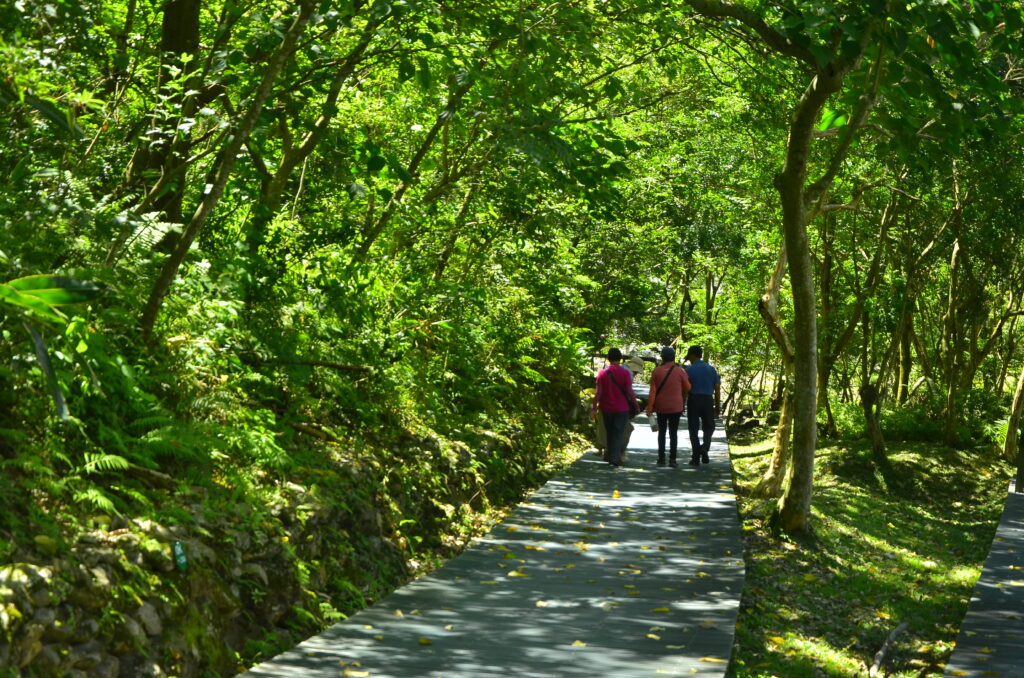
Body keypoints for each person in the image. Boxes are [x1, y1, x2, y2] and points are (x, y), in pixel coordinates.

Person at [590, 348, 639, 468]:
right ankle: (615, 458)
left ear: (608, 359)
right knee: (618, 433)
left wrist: (593, 408)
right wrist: (636, 404)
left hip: (606, 408)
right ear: (620, 359)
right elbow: (629, 391)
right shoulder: (625, 373)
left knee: (610, 432)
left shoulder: (602, 373)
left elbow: (598, 393)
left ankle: (609, 455)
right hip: (622, 408)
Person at [646, 346, 691, 467]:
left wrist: (650, 407)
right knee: (673, 433)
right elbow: (688, 388)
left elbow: (653, 391)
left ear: (662, 357)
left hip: (661, 406)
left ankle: (661, 458)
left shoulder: (656, 371)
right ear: (673, 357)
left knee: (662, 432)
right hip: (676, 406)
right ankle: (673, 459)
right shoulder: (680, 371)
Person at [684, 345, 721, 466]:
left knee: (693, 429)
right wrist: (717, 405)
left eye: (689, 356)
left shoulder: (689, 370)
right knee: (709, 426)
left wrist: (682, 403)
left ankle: (695, 457)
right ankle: (705, 447)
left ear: (693, 355)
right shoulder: (711, 369)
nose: (688, 359)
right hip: (707, 400)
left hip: (694, 400)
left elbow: (684, 389)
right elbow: (717, 388)